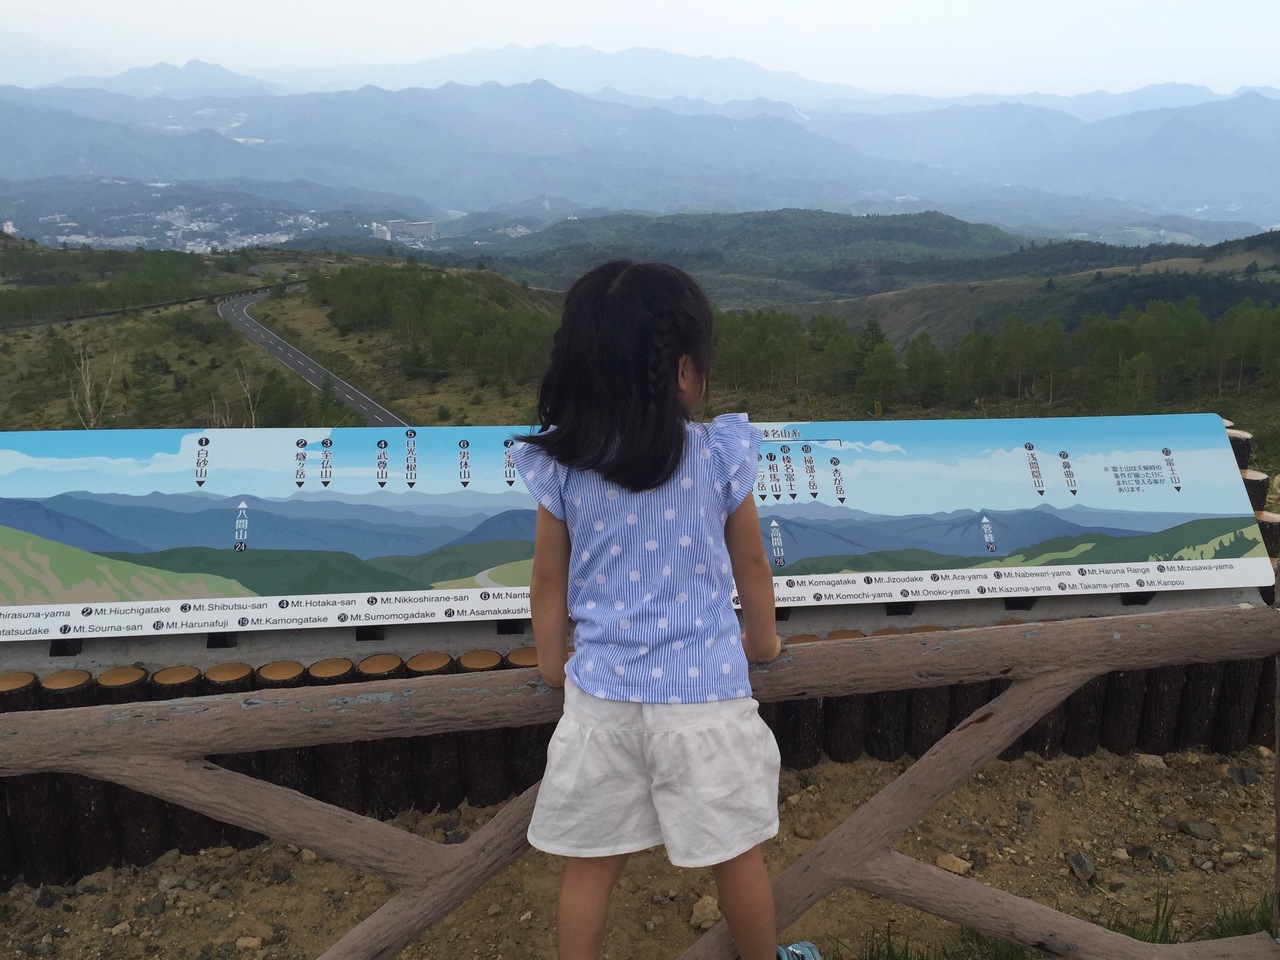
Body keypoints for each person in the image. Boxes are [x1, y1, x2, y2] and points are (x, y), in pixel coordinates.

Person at [513, 260, 822, 960]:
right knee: (737, 857)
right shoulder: (717, 455)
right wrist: (763, 644)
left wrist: (551, 665)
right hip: (706, 697)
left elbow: (545, 579)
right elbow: (752, 565)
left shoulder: (564, 466)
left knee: (590, 867)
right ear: (683, 371)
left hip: (603, 702)